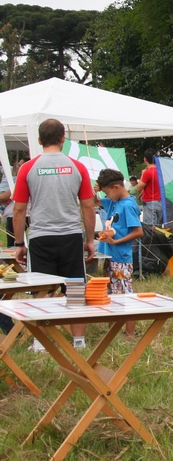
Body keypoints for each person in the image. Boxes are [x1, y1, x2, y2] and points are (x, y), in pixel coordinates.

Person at [12, 119, 96, 350]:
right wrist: (90, 240)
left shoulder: (27, 168)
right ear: (63, 139)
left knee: (42, 291)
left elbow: (19, 210)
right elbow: (88, 206)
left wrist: (19, 243)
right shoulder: (77, 167)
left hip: (41, 237)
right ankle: (78, 341)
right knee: (76, 290)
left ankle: (41, 343)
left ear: (39, 140)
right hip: (70, 235)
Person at [95, 169, 143, 338]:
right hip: (110, 256)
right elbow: (94, 202)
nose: (106, 196)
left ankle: (130, 333)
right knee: (111, 295)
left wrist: (116, 242)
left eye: (107, 192)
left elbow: (138, 232)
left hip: (121, 258)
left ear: (116, 187)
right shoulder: (113, 202)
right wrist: (94, 190)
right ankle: (113, 331)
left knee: (124, 295)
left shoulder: (128, 205)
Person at [134, 149, 162, 226]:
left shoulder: (147, 172)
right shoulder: (161, 171)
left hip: (150, 202)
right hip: (160, 202)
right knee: (159, 227)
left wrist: (143, 174)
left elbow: (139, 188)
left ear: (145, 159)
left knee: (149, 228)